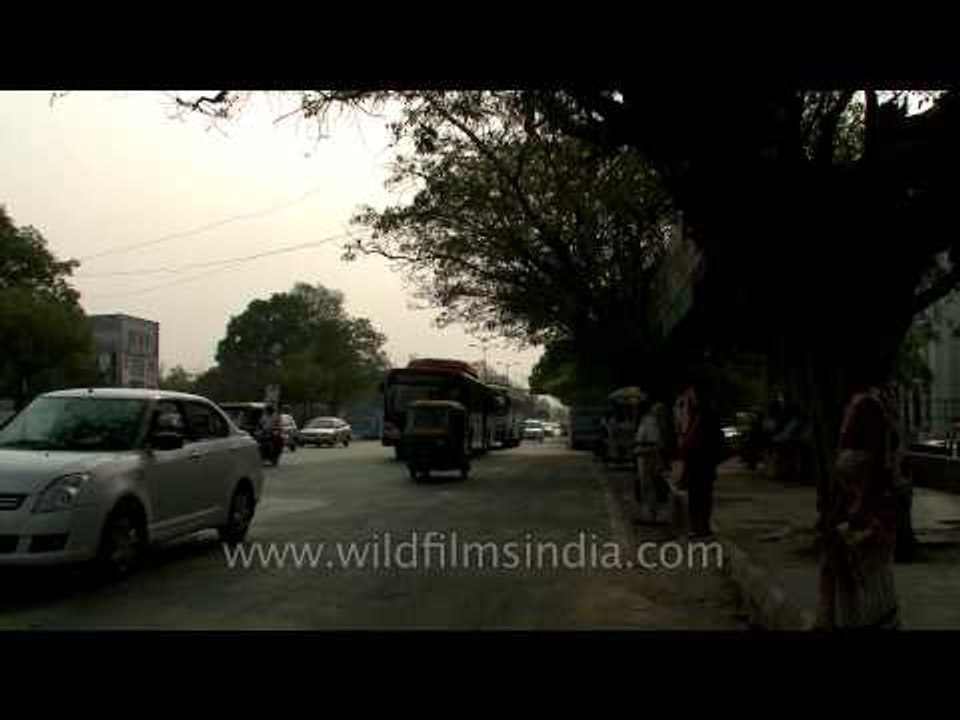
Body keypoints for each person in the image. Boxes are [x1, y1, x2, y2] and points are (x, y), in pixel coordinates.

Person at [816, 383, 900, 630]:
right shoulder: (875, 408)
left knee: (860, 588)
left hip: (857, 519)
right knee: (864, 585)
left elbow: (866, 476)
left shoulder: (867, 413)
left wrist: (856, 513)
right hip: (861, 517)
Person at [678, 383, 724, 538]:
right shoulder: (694, 415)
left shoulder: (706, 414)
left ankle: (701, 525)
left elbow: (716, 439)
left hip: (703, 460)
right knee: (696, 495)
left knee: (702, 495)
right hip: (696, 461)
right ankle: (697, 525)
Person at [634, 401, 664, 523]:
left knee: (649, 487)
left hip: (648, 457)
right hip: (643, 456)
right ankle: (647, 514)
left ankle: (651, 515)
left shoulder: (649, 421)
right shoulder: (644, 421)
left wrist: (641, 449)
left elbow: (653, 442)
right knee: (645, 487)